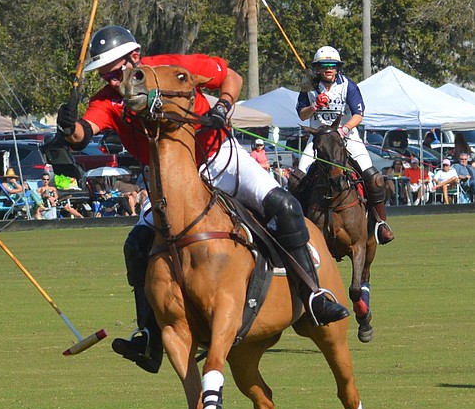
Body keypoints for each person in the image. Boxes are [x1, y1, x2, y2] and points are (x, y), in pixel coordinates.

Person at [56, 24, 348, 374]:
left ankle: (314, 295)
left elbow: (232, 77)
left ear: (135, 57)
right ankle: (148, 335)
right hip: (169, 180)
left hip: (218, 158)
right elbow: (83, 131)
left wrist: (222, 108)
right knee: (136, 245)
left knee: (285, 207)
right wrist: (68, 127)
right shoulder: (107, 100)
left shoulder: (173, 66)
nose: (114, 79)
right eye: (106, 74)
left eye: (117, 70)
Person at [291, 46, 394, 244]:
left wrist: (344, 129)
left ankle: (380, 223)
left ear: (338, 68)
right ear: (318, 68)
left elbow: (358, 114)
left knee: (374, 178)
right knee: (296, 181)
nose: (328, 69)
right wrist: (314, 107)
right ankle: (298, 226)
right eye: (324, 65)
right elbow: (301, 114)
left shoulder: (348, 86)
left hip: (347, 137)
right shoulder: (308, 88)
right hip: (318, 141)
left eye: (332, 65)